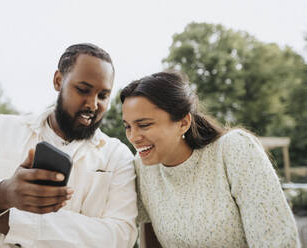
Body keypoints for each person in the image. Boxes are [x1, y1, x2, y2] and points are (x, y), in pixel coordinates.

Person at [0, 43, 138, 248]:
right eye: (83, 90)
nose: (93, 104)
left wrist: (8, 222)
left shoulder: (117, 156)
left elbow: (121, 237)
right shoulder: (0, 129)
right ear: (58, 81)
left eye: (103, 95)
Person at [121, 71, 300, 248]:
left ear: (183, 123)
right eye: (128, 127)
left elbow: (278, 241)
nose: (133, 137)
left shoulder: (233, 149)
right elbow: (149, 233)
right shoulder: (144, 166)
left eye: (144, 125)